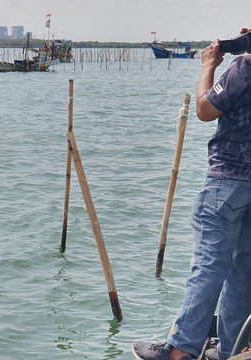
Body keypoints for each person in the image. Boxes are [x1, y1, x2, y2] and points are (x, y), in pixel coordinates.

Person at [133, 28, 251, 360]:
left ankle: (181, 349)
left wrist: (208, 67)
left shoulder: (244, 67)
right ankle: (233, 348)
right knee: (244, 270)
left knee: (210, 265)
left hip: (228, 178)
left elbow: (204, 109)